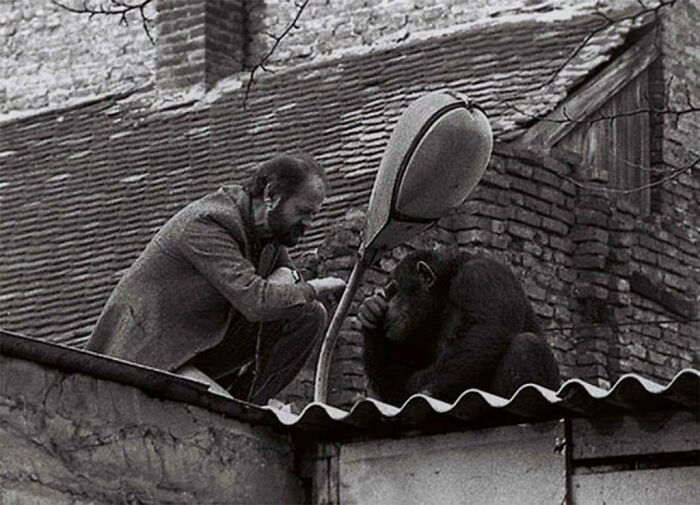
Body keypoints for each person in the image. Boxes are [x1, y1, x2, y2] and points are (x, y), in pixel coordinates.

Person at [86, 153, 346, 404]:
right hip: (147, 354)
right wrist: (315, 286)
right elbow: (256, 301)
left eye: (314, 215)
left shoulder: (268, 238)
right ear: (271, 196)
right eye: (303, 211)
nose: (309, 223)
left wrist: (301, 285)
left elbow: (286, 298)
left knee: (308, 315)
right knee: (296, 297)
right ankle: (238, 410)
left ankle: (250, 404)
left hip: (194, 350)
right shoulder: (208, 222)